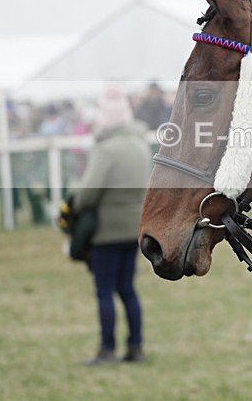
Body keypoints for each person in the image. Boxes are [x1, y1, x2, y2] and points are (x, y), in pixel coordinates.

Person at [70, 85, 152, 365]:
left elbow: (88, 194)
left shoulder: (105, 149)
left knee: (104, 290)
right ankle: (136, 346)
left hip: (106, 231)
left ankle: (107, 348)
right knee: (127, 289)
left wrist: (75, 204)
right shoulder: (141, 145)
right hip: (133, 229)